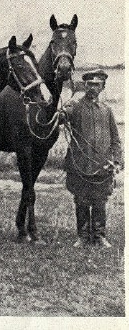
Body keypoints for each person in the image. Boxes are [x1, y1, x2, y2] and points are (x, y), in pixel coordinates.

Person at [61, 69, 122, 248]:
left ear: (102, 87)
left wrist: (118, 160)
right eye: (89, 84)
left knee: (100, 201)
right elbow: (63, 116)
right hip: (80, 164)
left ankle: (99, 236)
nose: (93, 88)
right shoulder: (75, 107)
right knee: (81, 200)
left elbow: (115, 139)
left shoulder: (107, 110)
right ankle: (83, 236)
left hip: (102, 165)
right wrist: (62, 112)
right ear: (85, 86)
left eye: (97, 85)